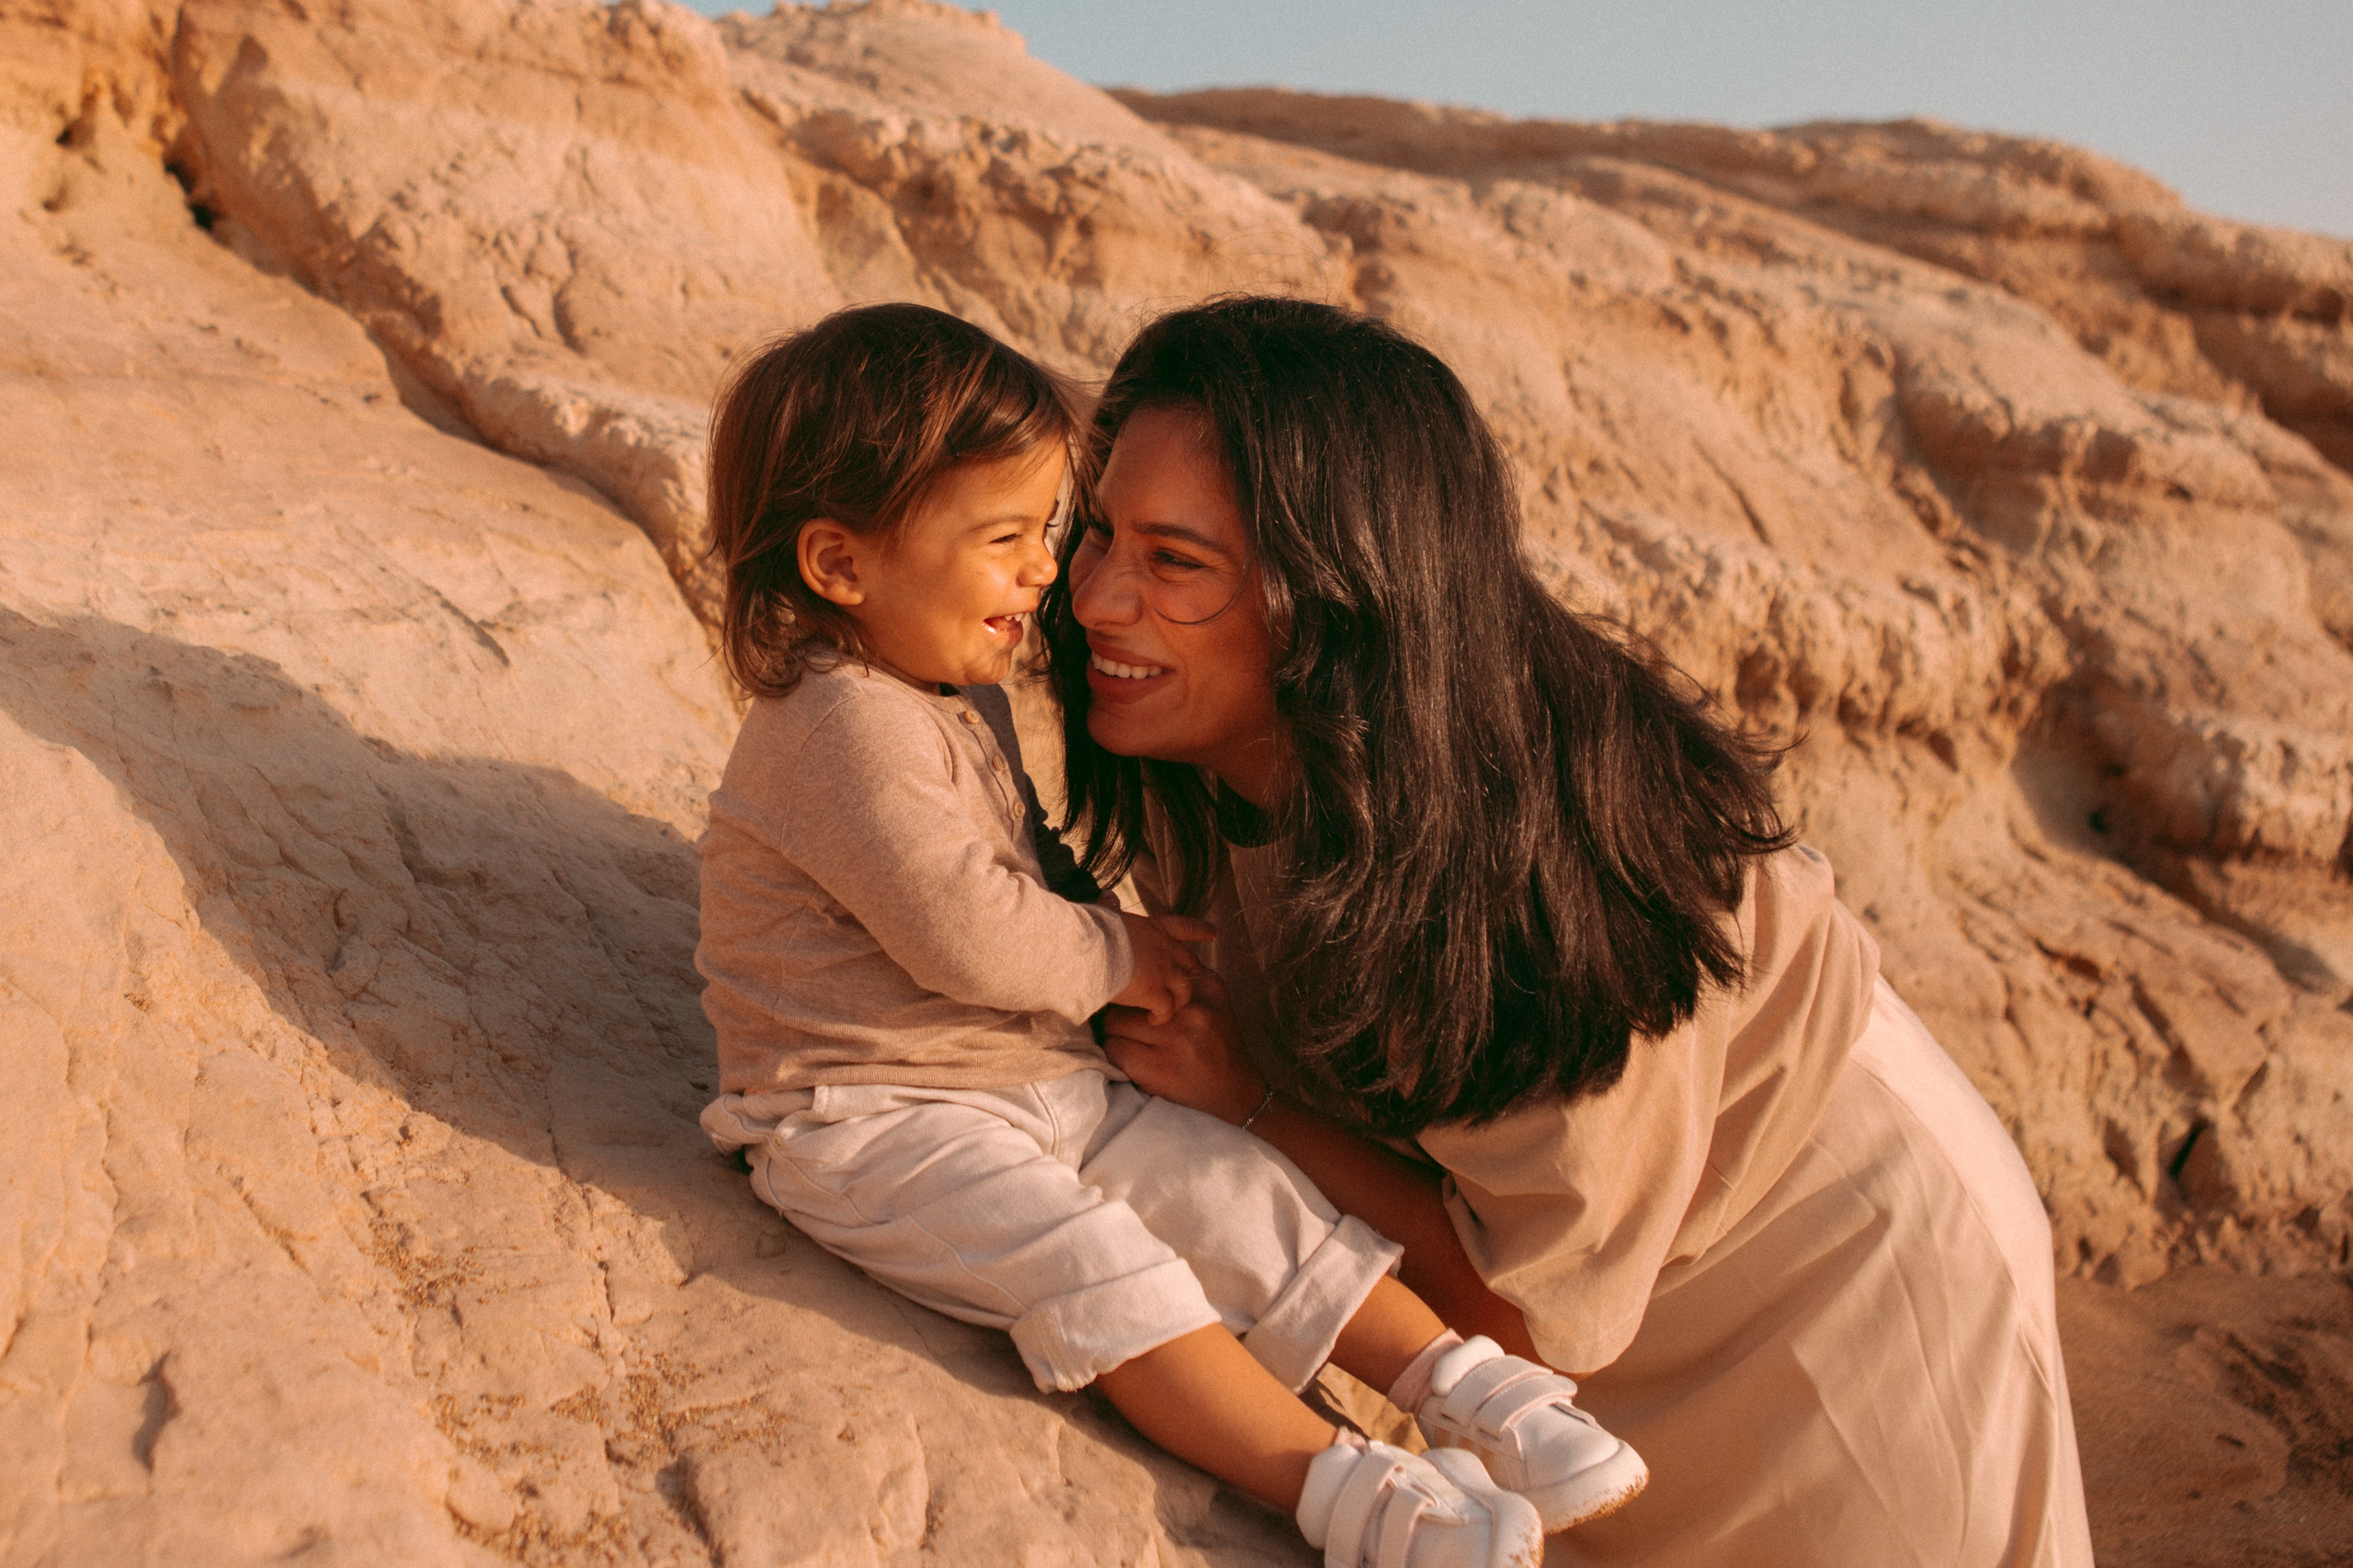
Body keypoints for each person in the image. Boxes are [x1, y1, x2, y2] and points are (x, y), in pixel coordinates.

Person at [1043, 295, 2097, 1567]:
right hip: (1587, 1297)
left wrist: (1257, 1101)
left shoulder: (1517, 854)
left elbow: (1530, 1321)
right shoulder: (1197, 732)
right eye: (1098, 531)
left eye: (1174, 560)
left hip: (1836, 1272)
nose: (1096, 594)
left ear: (1336, 590)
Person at [691, 301, 1652, 1568]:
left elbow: (1018, 861)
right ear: (840, 564)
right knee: (1102, 1272)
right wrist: (1122, 956)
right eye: (1006, 540)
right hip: (866, 1111)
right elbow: (969, 931)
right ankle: (1338, 1486)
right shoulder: (837, 722)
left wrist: (1095, 956)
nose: (1051, 575)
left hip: (1023, 1078)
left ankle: (1462, 1385)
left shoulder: (943, 691)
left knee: (1237, 1193)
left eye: (1048, 531)